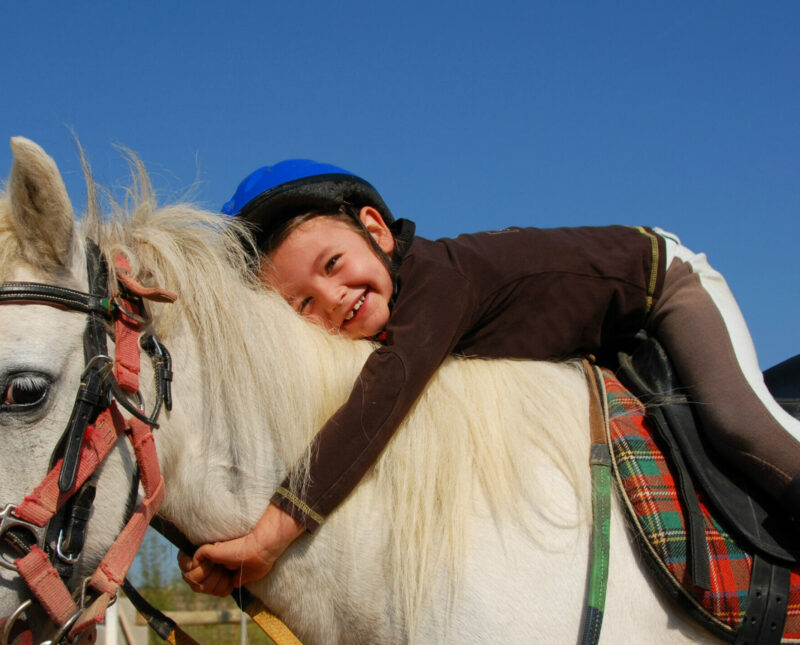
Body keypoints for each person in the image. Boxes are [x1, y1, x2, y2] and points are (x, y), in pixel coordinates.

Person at [179, 160, 800, 596]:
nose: (332, 297)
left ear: (374, 229)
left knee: (738, 427)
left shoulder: (440, 284)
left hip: (664, 288)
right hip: (599, 341)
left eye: (333, 264)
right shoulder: (397, 319)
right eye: (304, 306)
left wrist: (268, 538)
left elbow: (372, 413)